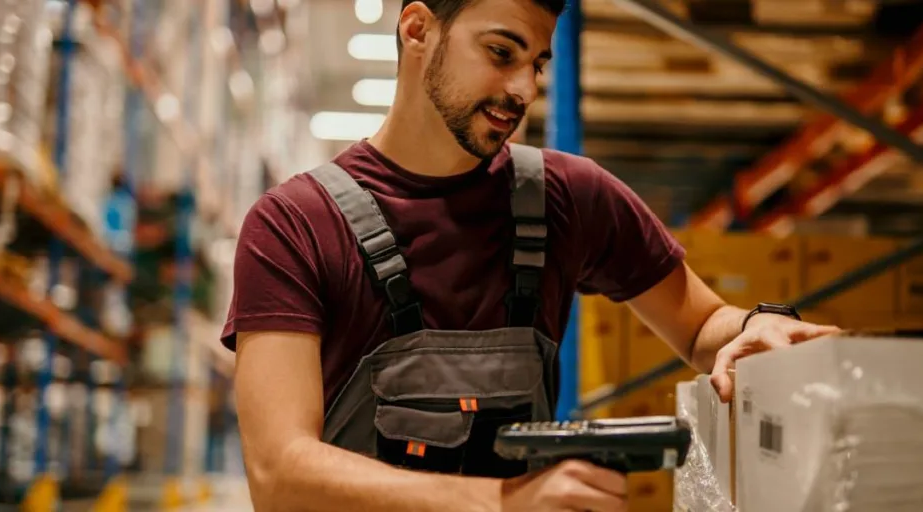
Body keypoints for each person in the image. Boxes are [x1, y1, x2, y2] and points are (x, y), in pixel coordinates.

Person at [222, 0, 841, 510]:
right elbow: (280, 475)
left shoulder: (568, 198)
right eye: (500, 53)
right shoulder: (295, 226)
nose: (522, 90)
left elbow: (703, 323)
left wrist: (756, 327)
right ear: (417, 30)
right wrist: (503, 501)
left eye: (537, 64)